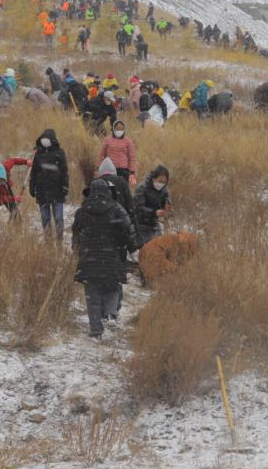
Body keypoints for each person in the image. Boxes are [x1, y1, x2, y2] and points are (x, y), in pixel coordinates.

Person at [72, 178, 136, 338]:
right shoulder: (116, 209)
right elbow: (127, 230)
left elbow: (76, 234)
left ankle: (95, 329)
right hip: (112, 257)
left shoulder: (82, 211)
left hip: (89, 258)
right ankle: (110, 313)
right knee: (113, 287)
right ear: (108, 192)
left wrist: (77, 251)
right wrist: (126, 247)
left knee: (92, 295)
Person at [30, 129, 70, 238]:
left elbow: (64, 171)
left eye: (47, 139)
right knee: (45, 219)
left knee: (58, 218)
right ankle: (48, 243)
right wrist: (32, 186)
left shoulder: (60, 153)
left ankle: (59, 241)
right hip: (42, 191)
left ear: (52, 140)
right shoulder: (38, 154)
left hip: (57, 191)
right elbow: (34, 171)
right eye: (43, 139)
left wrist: (65, 186)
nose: (44, 141)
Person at [132, 165, 171, 247]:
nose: (161, 184)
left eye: (164, 182)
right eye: (160, 181)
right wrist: (154, 212)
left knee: (160, 247)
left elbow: (167, 198)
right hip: (140, 225)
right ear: (153, 178)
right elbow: (138, 208)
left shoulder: (163, 189)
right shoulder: (142, 188)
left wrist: (167, 206)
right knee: (144, 250)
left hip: (154, 224)